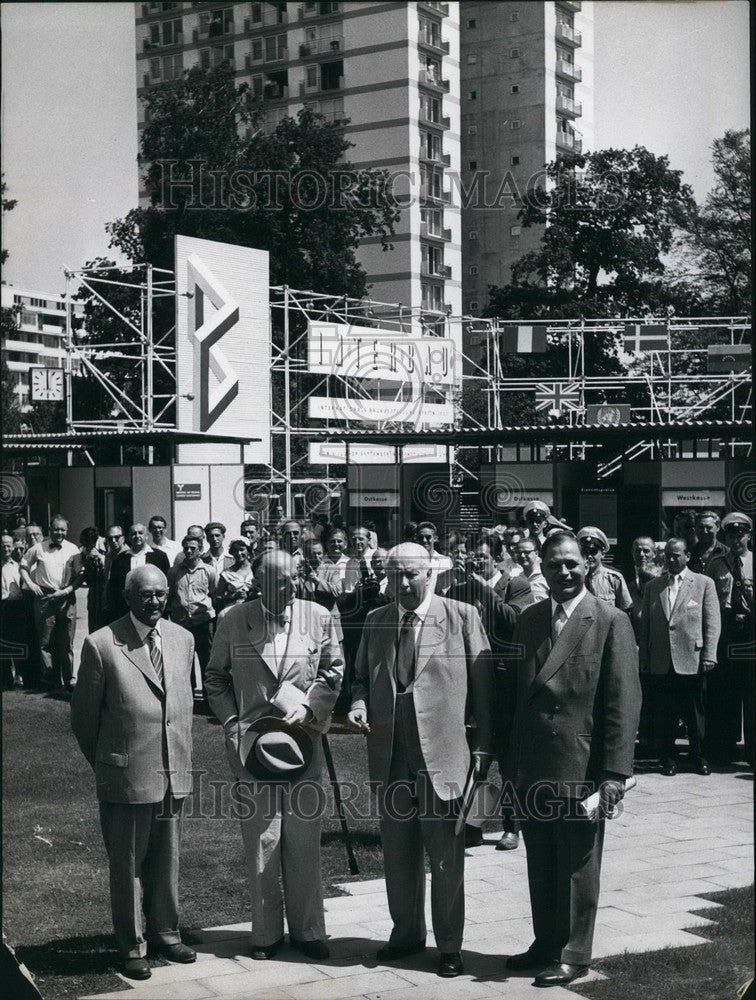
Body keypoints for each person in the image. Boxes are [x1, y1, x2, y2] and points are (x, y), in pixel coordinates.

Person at [348, 543, 494, 979]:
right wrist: (357, 704)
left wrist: (485, 749)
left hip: (444, 757)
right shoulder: (376, 620)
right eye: (395, 576)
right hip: (392, 756)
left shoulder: (462, 616)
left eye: (410, 574)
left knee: (446, 858)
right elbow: (359, 678)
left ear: (431, 574)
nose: (403, 583)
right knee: (398, 854)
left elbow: (485, 690)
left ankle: (449, 946)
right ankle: (406, 934)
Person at [504, 531, 641, 987]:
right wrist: (512, 766)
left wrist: (615, 775)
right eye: (554, 564)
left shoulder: (610, 619)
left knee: (579, 866)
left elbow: (623, 701)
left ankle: (574, 953)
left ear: (588, 565)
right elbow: (519, 700)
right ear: (540, 568)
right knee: (540, 861)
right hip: (535, 764)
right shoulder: (528, 620)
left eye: (571, 564)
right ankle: (545, 943)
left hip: (581, 766)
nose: (563, 571)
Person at [205, 551, 343, 961]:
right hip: (251, 750)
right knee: (263, 840)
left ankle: (309, 932)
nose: (289, 587)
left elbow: (333, 671)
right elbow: (214, 679)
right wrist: (233, 726)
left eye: (292, 579)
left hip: (304, 743)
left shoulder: (318, 615)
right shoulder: (232, 619)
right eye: (279, 581)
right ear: (259, 581)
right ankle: (265, 935)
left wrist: (312, 706)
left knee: (303, 841)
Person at [71, 565, 196, 981]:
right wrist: (111, 762)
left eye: (161, 593)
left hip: (172, 771)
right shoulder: (101, 644)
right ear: (128, 597)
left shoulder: (183, 639)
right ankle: (132, 945)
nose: (155, 601)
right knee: (128, 866)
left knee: (168, 859)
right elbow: (84, 721)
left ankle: (166, 932)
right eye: (145, 594)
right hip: (125, 776)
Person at [445, 538, 534, 850]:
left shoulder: (517, 585)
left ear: (499, 559)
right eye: (471, 557)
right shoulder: (459, 589)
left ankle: (512, 827)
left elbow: (514, 620)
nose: (474, 562)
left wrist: (485, 589)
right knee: (473, 757)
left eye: (481, 557)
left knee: (509, 760)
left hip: (506, 686)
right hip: (469, 684)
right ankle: (472, 825)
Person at [639, 538, 721, 777]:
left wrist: (709, 654)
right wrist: (644, 657)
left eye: (676, 555)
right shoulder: (653, 586)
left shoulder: (704, 583)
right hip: (661, 660)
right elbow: (645, 626)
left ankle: (699, 757)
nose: (671, 559)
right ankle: (668, 758)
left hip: (692, 659)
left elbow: (712, 622)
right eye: (668, 555)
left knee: (695, 712)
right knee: (665, 712)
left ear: (687, 556)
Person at [706, 512, 754, 764]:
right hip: (725, 631)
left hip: (751, 630)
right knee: (724, 691)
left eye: (740, 534)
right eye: (731, 535)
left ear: (749, 535)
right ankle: (724, 747)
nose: (736, 540)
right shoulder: (716, 564)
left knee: (752, 691)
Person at [20, 515, 83, 690]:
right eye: (56, 529)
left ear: (67, 530)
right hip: (45, 598)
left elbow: (80, 575)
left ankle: (69, 679)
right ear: (50, 529)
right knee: (46, 642)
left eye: (63, 529)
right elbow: (23, 566)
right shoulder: (38, 548)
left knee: (66, 641)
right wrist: (32, 585)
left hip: (66, 597)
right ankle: (50, 680)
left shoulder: (74, 550)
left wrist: (68, 590)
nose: (59, 532)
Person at [337, 546, 393, 715]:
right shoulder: (366, 581)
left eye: (382, 560)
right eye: (375, 561)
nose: (379, 564)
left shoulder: (394, 582)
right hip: (366, 632)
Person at [167, 536, 217, 698]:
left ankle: (209, 698)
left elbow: (214, 594)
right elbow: (171, 595)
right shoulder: (174, 571)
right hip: (181, 622)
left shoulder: (209, 571)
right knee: (184, 659)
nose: (189, 551)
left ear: (200, 550)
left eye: (193, 548)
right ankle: (188, 695)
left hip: (203, 621)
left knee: (206, 659)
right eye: (186, 548)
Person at [107, 524, 171, 623]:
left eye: (140, 533)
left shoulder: (160, 557)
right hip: (126, 612)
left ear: (146, 536)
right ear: (128, 537)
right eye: (133, 534)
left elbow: (167, 584)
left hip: (152, 608)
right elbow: (113, 589)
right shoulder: (120, 559)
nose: (137, 536)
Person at [577, 527, 633, 614]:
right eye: (585, 552)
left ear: (603, 554)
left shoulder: (614, 579)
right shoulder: (575, 577)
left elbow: (625, 612)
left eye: (593, 551)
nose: (589, 556)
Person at [1, 533, 26, 688]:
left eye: (9, 545)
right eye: (3, 545)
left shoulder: (18, 567)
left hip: (16, 607)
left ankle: (19, 675)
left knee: (17, 641)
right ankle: (5, 679)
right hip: (1, 606)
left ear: (13, 547)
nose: (6, 548)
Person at [73, 526, 107, 633]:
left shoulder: (106, 545)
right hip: (93, 589)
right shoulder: (82, 551)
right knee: (93, 622)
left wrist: (100, 557)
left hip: (106, 589)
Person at [215, 538, 256, 612]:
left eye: (242, 549)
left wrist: (252, 595)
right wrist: (233, 596)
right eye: (235, 550)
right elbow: (218, 597)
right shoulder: (226, 574)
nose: (239, 553)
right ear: (232, 552)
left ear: (248, 551)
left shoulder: (256, 570)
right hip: (233, 611)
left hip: (254, 610)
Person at [414, 521, 453, 594]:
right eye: (420, 537)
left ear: (435, 539)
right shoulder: (410, 561)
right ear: (416, 539)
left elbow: (446, 589)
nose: (424, 540)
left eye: (428, 537)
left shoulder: (445, 561)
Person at [689, 510, 727, 575]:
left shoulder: (727, 554)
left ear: (718, 527)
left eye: (709, 527)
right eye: (701, 527)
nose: (705, 531)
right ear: (695, 528)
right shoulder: (689, 554)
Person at [514, 537, 549, 601]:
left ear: (536, 553)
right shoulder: (517, 578)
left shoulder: (546, 576)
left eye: (526, 552)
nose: (522, 555)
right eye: (519, 552)